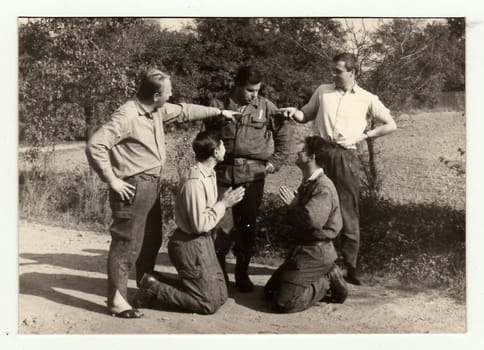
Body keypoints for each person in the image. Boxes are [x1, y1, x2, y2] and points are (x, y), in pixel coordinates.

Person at [86, 68, 241, 318]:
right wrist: (112, 180)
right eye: (169, 92)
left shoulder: (155, 109)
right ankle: (117, 300)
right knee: (127, 243)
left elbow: (185, 110)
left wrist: (220, 111)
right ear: (157, 94)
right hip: (132, 186)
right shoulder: (127, 115)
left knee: (151, 239)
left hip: (150, 184)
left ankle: (144, 285)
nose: (172, 95)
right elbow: (96, 145)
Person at [277, 53, 397, 285]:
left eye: (338, 71)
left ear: (353, 72)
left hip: (345, 155)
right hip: (318, 152)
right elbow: (305, 114)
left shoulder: (367, 98)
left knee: (347, 209)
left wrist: (365, 135)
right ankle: (313, 259)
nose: (333, 74)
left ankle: (350, 266)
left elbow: (391, 124)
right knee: (311, 204)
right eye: (332, 70)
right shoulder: (323, 91)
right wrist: (294, 112)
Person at [132, 132, 245, 314]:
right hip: (189, 244)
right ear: (215, 152)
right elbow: (199, 225)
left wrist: (222, 204)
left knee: (222, 295)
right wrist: (223, 204)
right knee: (208, 304)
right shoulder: (195, 181)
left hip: (203, 240)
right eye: (222, 145)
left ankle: (155, 279)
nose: (225, 149)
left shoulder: (208, 174)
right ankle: (153, 289)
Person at [202, 66, 292, 292]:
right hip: (222, 172)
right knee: (219, 223)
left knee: (247, 225)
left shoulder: (265, 107)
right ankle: (219, 272)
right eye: (250, 90)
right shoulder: (218, 105)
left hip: (252, 174)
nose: (255, 95)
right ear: (237, 85)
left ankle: (242, 273)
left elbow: (284, 135)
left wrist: (274, 162)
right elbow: (208, 137)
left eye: (258, 90)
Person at [264, 136, 348, 313]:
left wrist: (294, 204)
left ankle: (327, 281)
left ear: (312, 157)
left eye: (302, 150)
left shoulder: (323, 187)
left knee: (283, 303)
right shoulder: (309, 182)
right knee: (269, 292)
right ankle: (321, 276)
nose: (297, 152)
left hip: (316, 251)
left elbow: (313, 221)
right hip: (304, 248)